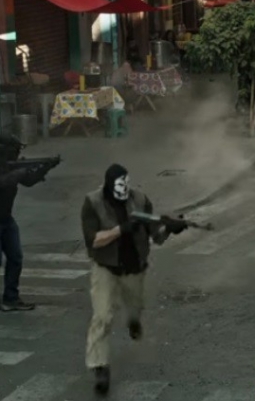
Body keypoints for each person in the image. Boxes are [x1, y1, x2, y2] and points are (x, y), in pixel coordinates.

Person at [81, 164, 188, 394]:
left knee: (135, 306)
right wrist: (121, 229)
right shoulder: (93, 203)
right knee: (102, 317)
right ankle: (99, 367)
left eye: (127, 184)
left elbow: (156, 237)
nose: (125, 190)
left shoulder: (139, 200)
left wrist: (171, 228)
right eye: (120, 185)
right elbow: (93, 240)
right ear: (109, 186)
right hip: (106, 267)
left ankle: (133, 320)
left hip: (134, 268)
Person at [0, 136, 54, 312]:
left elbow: (28, 181)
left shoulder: (10, 166)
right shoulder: (8, 169)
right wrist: (19, 173)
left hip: (6, 219)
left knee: (15, 258)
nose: (16, 154)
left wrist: (45, 168)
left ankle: (11, 298)